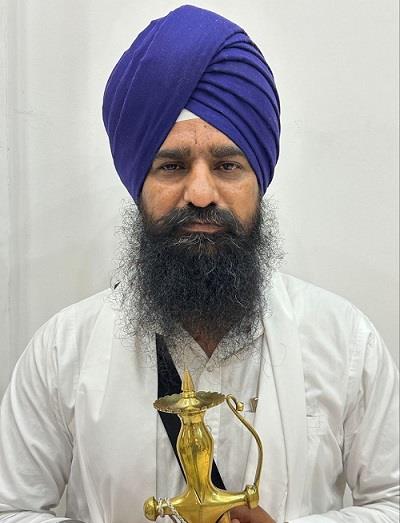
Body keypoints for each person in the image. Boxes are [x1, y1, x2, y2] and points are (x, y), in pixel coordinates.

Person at [0, 5, 398, 523]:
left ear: (258, 182)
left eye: (228, 165)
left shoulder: (343, 341)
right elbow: (10, 507)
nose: (202, 193)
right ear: (139, 185)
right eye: (172, 166)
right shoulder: (64, 350)